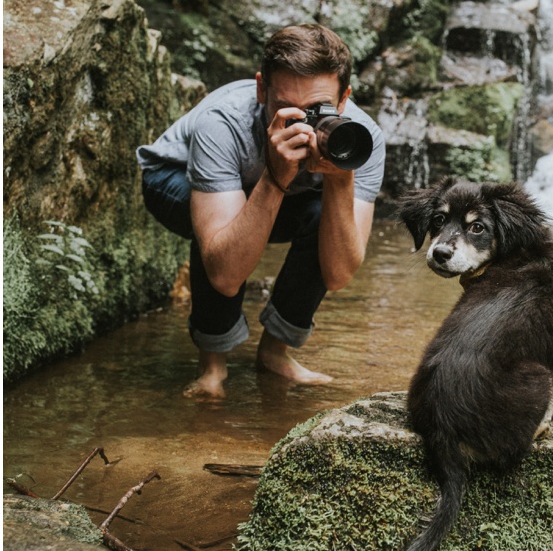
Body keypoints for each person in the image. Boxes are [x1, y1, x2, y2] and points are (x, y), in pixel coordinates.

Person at [137, 24, 385, 398]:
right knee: (219, 236)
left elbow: (338, 274)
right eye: (285, 107)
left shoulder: (361, 139)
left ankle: (274, 353)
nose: (303, 123)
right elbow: (224, 274)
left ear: (345, 98)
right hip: (171, 179)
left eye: (317, 110)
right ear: (261, 89)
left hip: (278, 192)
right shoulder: (221, 123)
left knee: (324, 217)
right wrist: (273, 178)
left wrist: (339, 182)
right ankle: (212, 363)